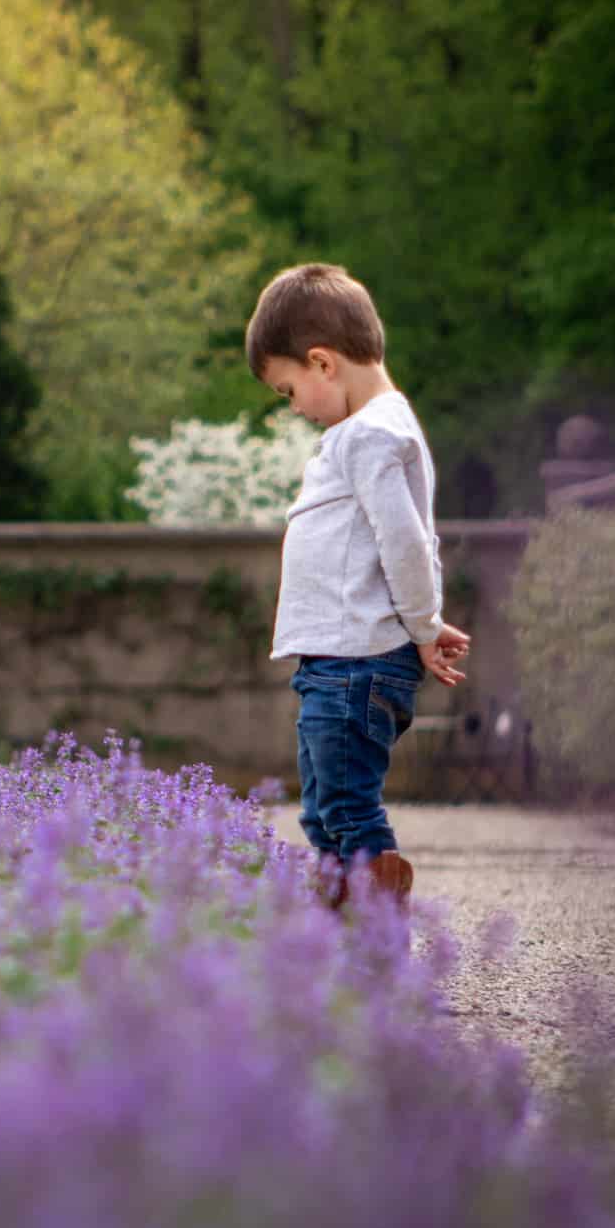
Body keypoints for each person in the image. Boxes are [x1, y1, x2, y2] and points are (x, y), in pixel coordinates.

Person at [245, 264, 470, 914]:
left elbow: (405, 540)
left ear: (322, 364)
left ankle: (375, 910)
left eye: (288, 391)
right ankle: (341, 901)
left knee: (346, 802)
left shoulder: (369, 434)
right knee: (323, 805)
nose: (294, 408)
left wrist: (423, 625)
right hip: (338, 662)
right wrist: (422, 625)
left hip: (356, 663)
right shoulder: (365, 431)